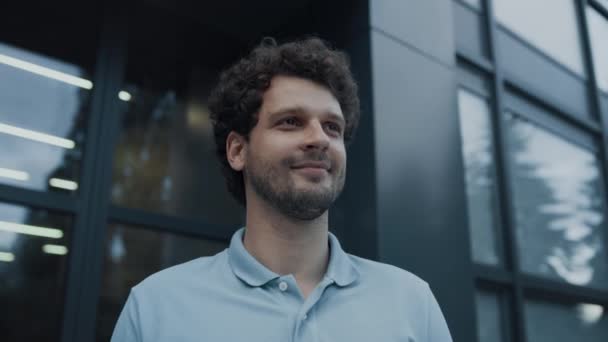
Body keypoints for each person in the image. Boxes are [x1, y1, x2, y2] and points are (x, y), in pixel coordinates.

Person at [111, 37, 452, 342]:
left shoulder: (412, 303)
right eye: (290, 121)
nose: (319, 138)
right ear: (237, 150)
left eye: (332, 127)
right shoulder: (156, 307)